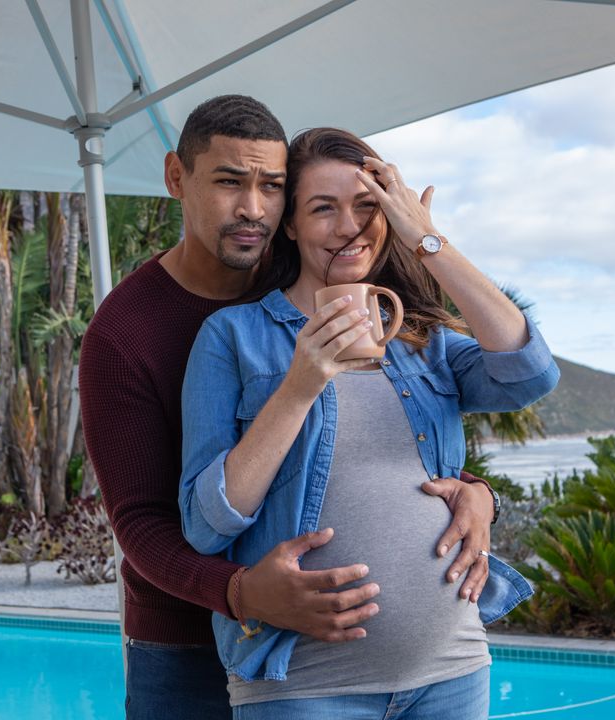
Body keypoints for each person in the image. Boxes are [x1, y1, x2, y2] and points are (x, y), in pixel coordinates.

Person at [79, 99, 501, 719]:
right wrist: (242, 593)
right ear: (176, 178)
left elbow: (354, 442)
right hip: (185, 644)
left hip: (354, 656)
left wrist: (475, 491)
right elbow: (140, 522)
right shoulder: (124, 332)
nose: (253, 208)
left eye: (272, 186)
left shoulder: (310, 292)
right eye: (229, 182)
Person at [179, 127, 559, 719]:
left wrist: (427, 240)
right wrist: (300, 385)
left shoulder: (424, 340)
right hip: (303, 683)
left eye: (367, 206)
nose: (349, 227)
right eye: (322, 208)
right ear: (290, 224)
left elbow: (529, 373)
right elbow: (207, 524)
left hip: (452, 670)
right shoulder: (233, 336)